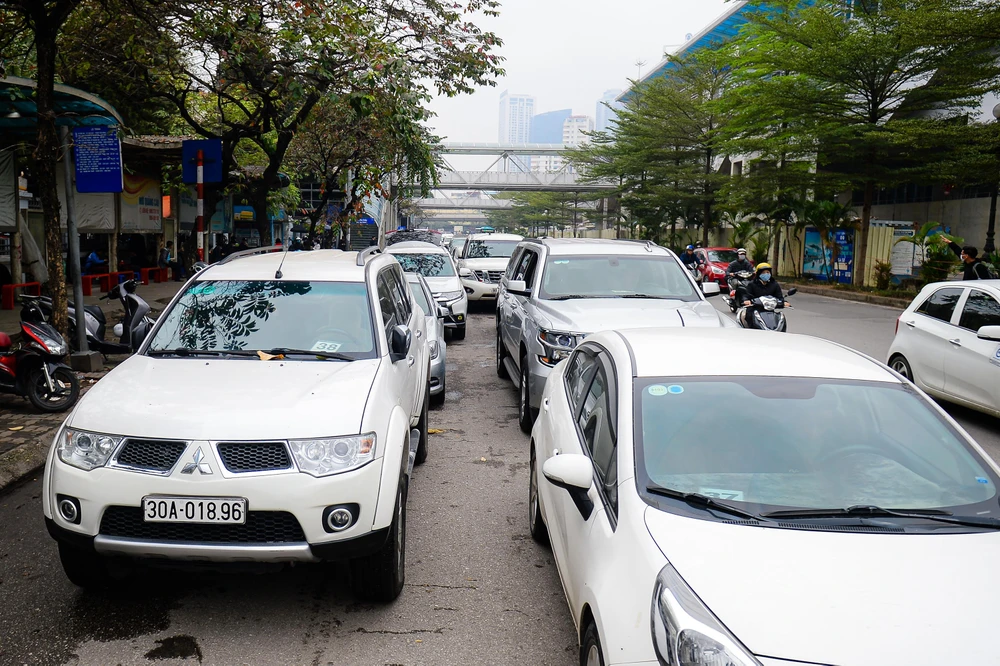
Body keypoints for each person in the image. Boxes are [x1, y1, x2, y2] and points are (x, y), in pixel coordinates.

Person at [741, 262, 787, 328]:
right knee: (749, 318)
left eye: (768, 272)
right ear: (759, 274)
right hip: (755, 309)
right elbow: (746, 295)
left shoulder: (774, 284)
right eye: (763, 273)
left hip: (769, 310)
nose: (766, 274)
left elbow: (779, 297)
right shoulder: (752, 284)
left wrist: (784, 302)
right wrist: (746, 300)